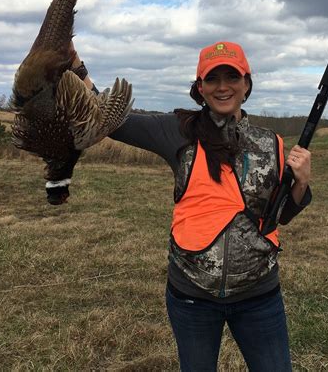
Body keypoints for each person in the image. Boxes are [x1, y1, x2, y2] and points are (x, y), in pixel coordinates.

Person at [72, 41, 311, 371]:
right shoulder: (178, 131)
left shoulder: (271, 143)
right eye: (212, 79)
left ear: (247, 84)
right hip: (192, 298)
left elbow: (279, 215)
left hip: (259, 296)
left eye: (232, 77)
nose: (223, 87)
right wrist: (75, 66)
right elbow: (114, 119)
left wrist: (300, 183)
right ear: (200, 88)